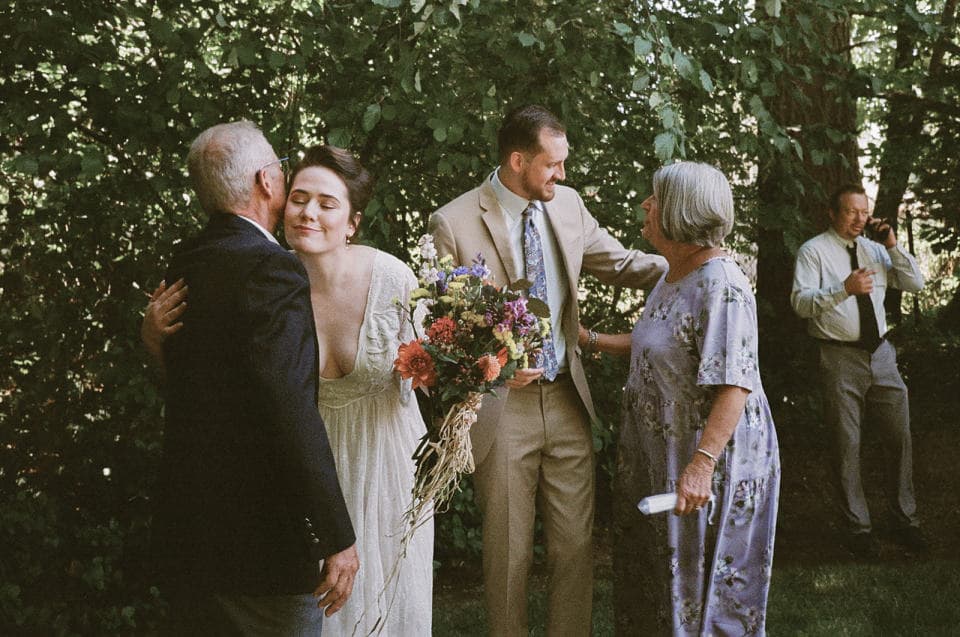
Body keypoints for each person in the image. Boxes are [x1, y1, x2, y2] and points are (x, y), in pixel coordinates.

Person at [145, 144, 433, 635]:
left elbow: (436, 372)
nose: (308, 213)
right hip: (305, 479)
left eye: (327, 203)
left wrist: (482, 367)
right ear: (277, 197)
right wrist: (155, 342)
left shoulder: (393, 281)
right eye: (299, 198)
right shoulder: (261, 275)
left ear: (352, 223)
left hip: (384, 468)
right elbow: (216, 392)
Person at [428, 104, 667, 636]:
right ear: (518, 160)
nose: (562, 175)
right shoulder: (456, 220)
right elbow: (439, 326)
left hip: (567, 399)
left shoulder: (568, 205)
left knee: (575, 547)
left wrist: (693, 262)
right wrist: (488, 366)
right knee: (508, 552)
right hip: (501, 407)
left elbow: (620, 263)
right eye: (552, 164)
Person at [583, 162, 780, 635]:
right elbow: (660, 340)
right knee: (657, 580)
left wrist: (701, 465)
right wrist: (587, 339)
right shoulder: (676, 274)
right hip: (662, 452)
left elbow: (734, 383)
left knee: (703, 593)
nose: (646, 206)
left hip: (707, 458)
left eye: (655, 198)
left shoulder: (722, 285)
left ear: (681, 212)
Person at [791, 183, 926, 558]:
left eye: (864, 212)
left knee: (899, 436)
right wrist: (843, 289)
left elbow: (915, 283)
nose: (859, 219)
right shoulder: (813, 251)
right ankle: (858, 527)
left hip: (881, 355)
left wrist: (893, 246)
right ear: (833, 214)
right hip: (838, 357)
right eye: (850, 211)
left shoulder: (875, 250)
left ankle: (905, 520)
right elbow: (800, 304)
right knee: (845, 442)